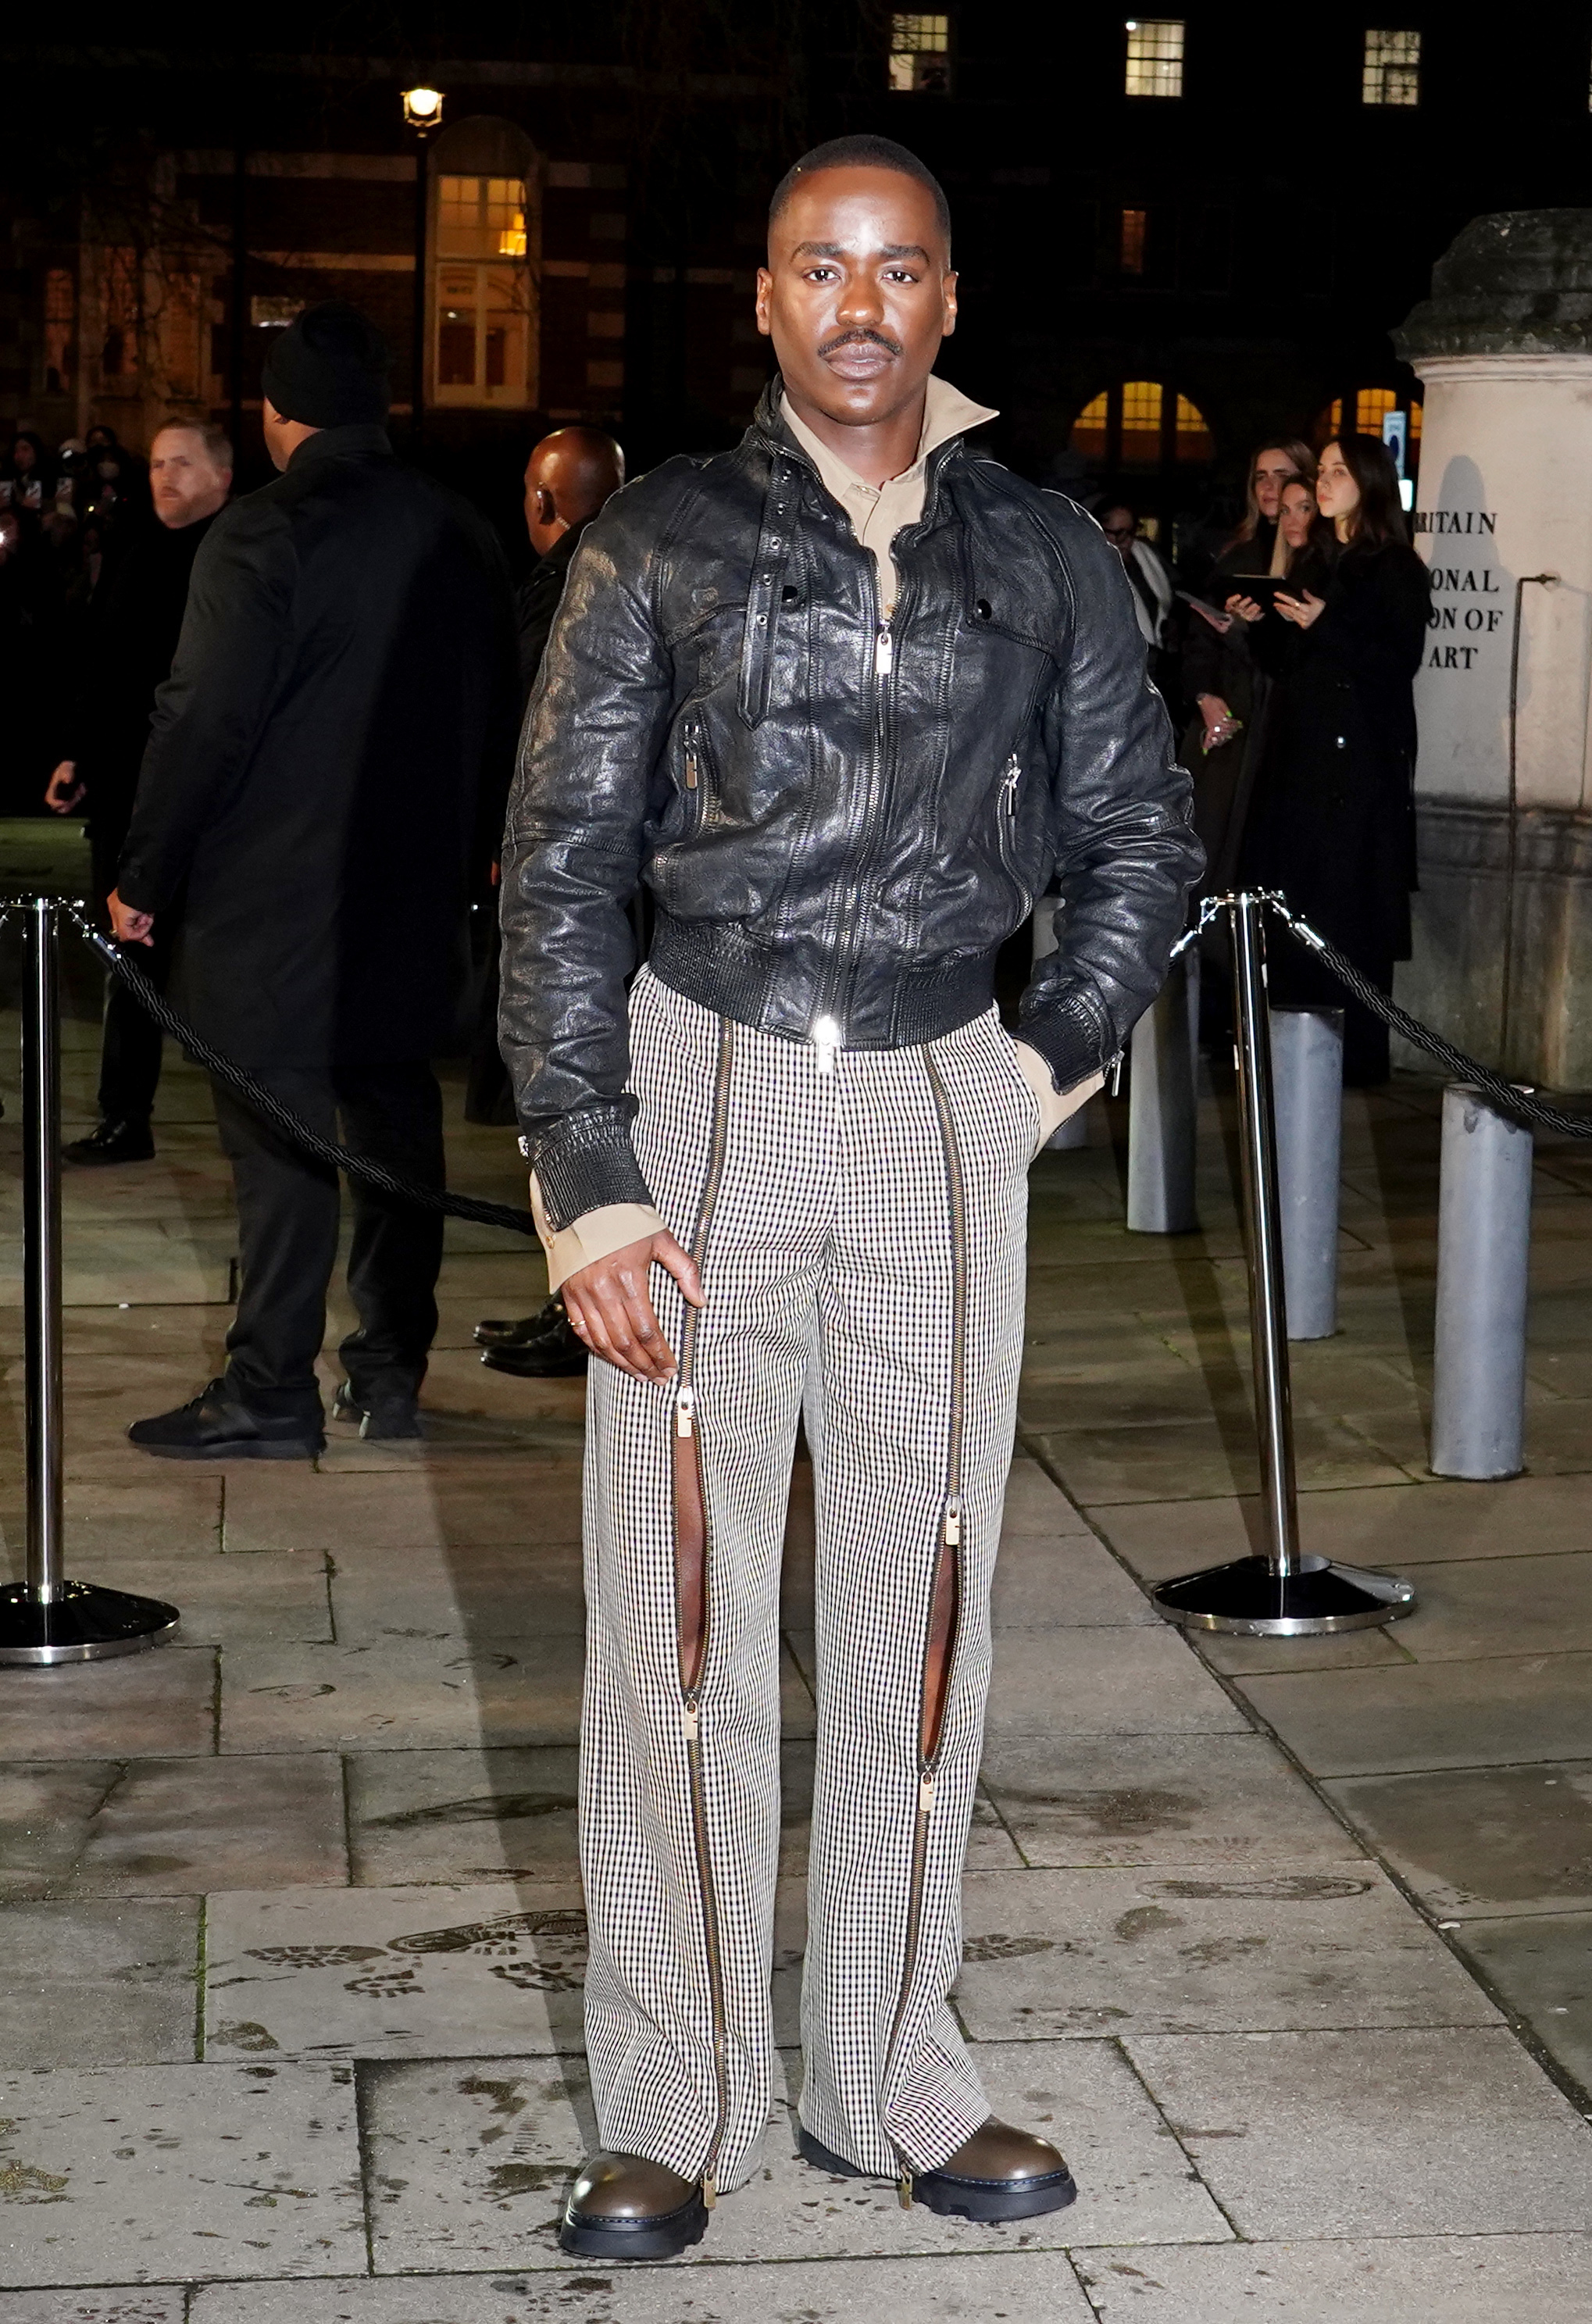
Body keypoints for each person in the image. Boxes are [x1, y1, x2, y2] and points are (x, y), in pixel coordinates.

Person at [498, 134, 1199, 2258]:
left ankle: (892, 2066)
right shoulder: (657, 541)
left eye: (898, 268)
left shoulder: (1044, 550)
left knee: (926, 1601)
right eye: (821, 267)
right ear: (767, 299)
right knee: (679, 1619)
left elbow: (1141, 835)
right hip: (704, 1085)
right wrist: (589, 1176)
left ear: (949, 298)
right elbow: (554, 873)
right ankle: (678, 2095)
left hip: (935, 1103)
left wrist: (1036, 1062)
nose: (861, 305)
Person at [116, 302, 518, 1455]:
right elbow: (505, 708)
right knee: (393, 1126)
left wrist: (146, 868)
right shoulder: (460, 529)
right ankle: (389, 1371)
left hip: (271, 895)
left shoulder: (261, 532)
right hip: (410, 889)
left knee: (279, 1136)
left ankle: (271, 1382)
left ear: (278, 413)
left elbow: (203, 717)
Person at [472, 426, 626, 1380]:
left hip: (569, 886)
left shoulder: (565, 592)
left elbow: (537, 739)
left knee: (566, 1090)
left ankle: (582, 1310)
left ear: (542, 502)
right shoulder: (635, 576)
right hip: (617, 888)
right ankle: (577, 1302)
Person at [45, 419, 235, 1164]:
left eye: (181, 463)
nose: (164, 477)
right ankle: (125, 1113)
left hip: (214, 802)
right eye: (156, 463)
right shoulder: (139, 554)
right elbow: (103, 662)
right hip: (129, 794)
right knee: (127, 961)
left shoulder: (238, 558)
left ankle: (260, 1122)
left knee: (216, 964)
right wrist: (77, 753)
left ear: (221, 474)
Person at [1233, 434, 1430, 1083]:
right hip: (1302, 763)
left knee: (1350, 915)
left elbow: (1396, 663)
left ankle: (1354, 1063)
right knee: (1298, 908)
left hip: (1358, 771)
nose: (1323, 481)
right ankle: (1297, 1058)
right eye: (1322, 470)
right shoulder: (1317, 559)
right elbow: (1289, 663)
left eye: (1338, 471)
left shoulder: (1395, 566)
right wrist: (1259, 622)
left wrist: (1326, 624)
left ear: (1369, 482)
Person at [1182, 441, 1316, 892]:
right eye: (1261, 476)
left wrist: (1246, 630)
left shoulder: (1314, 558)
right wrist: (1205, 697)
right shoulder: (1237, 554)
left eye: (1282, 475)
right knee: (1212, 838)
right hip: (1231, 715)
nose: (1269, 487)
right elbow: (1197, 639)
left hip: (1279, 721)